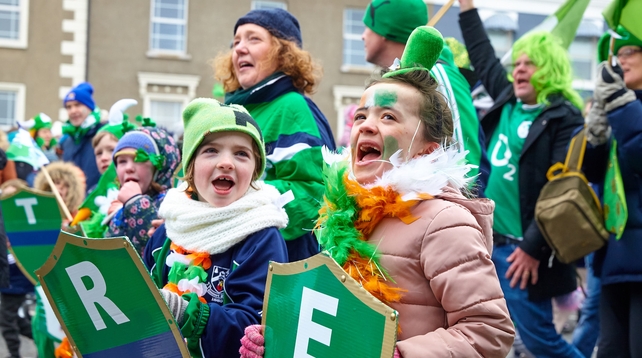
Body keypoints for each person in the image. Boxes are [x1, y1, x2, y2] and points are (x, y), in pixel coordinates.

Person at [240, 26, 514, 358]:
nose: (367, 125)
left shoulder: (445, 222)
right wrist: (277, 334)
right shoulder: (342, 212)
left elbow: (490, 332)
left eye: (388, 116)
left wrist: (399, 354)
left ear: (427, 151)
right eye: (361, 116)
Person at [458, 1, 585, 356]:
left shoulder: (564, 119)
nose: (520, 69)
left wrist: (531, 248)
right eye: (517, 63)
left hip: (521, 252)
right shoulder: (507, 100)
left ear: (550, 68)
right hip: (488, 243)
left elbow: (559, 193)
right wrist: (466, 8)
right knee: (499, 338)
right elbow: (482, 55)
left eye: (530, 63)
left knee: (540, 340)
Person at [143, 98, 289, 358]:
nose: (227, 163)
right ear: (190, 166)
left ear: (255, 170)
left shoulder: (262, 234)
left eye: (241, 154)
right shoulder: (171, 226)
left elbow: (257, 324)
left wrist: (185, 312)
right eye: (211, 150)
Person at [213, 8, 335, 261]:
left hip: (279, 262)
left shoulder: (292, 107)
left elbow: (312, 191)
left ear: (283, 53)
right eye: (236, 42)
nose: (239, 49)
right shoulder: (233, 110)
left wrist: (237, 199)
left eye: (253, 39)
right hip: (233, 257)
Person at [361, 0, 488, 193]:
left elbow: (465, 163)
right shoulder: (395, 81)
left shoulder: (438, 75)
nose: (363, 36)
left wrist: (448, 215)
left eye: (368, 26)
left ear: (387, 30)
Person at [583, 25, 642, 357]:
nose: (621, 61)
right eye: (617, 54)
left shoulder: (626, 108)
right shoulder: (622, 109)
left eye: (629, 51)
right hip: (616, 255)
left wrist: (621, 106)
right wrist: (596, 134)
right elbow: (592, 174)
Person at [105, 126, 179, 254]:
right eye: (122, 161)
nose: (128, 168)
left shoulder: (173, 203)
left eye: (139, 159)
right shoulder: (121, 209)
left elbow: (158, 247)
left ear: (159, 169)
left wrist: (135, 202)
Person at [60, 82, 103, 191]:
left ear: (89, 107)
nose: (73, 111)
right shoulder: (67, 141)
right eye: (69, 107)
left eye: (78, 105)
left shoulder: (103, 133)